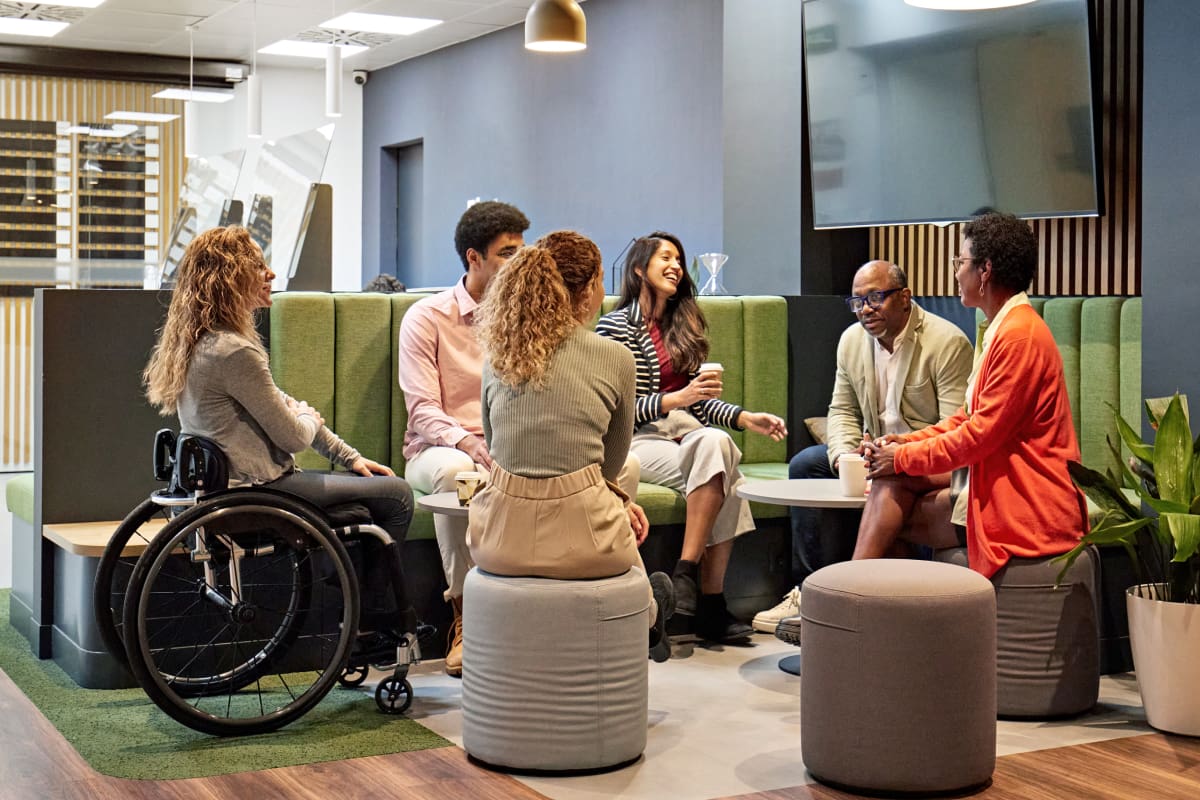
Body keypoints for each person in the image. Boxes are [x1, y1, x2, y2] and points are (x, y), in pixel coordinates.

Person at [143, 225, 418, 636]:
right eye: (258, 265)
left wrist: (351, 458)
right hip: (261, 491)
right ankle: (365, 616)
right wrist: (310, 419)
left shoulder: (205, 343)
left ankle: (349, 597)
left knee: (364, 504)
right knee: (397, 496)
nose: (270, 274)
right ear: (231, 278)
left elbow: (288, 408)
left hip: (227, 488)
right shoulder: (236, 352)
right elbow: (294, 435)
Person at [469, 230, 676, 661]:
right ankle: (651, 616)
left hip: (499, 540)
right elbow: (611, 463)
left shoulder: (497, 356)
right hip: (585, 543)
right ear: (588, 289)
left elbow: (497, 448)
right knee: (619, 532)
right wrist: (615, 501)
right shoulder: (614, 356)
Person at [857, 211, 1087, 577]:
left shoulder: (1018, 336)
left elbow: (979, 435)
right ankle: (875, 614)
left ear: (985, 271)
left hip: (1026, 499)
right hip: (999, 480)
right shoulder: (1002, 327)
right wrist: (899, 445)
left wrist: (901, 458)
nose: (955, 271)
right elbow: (966, 418)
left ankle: (852, 605)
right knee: (889, 493)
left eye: (960, 261)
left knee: (889, 504)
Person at [753, 260, 972, 634]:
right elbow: (841, 409)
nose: (865, 309)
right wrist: (843, 456)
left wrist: (898, 454)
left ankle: (846, 599)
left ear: (904, 298)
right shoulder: (852, 340)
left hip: (925, 458)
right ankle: (810, 588)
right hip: (874, 452)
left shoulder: (946, 342)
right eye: (856, 301)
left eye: (875, 297)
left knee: (894, 480)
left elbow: (953, 430)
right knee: (808, 463)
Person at [596, 231, 787, 644]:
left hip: (685, 436)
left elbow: (697, 406)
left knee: (719, 445)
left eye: (679, 259)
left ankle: (685, 573)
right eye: (665, 257)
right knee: (726, 471)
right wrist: (673, 399)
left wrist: (744, 417)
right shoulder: (614, 326)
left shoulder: (684, 325)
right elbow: (616, 407)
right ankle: (712, 603)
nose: (676, 266)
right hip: (637, 440)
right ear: (637, 268)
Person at [397, 200, 529, 677]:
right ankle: (465, 616)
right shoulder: (427, 317)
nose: (519, 262)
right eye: (507, 253)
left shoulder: (523, 321)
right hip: (436, 450)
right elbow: (423, 410)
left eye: (521, 250)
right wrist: (471, 443)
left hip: (506, 445)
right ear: (474, 258)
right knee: (460, 473)